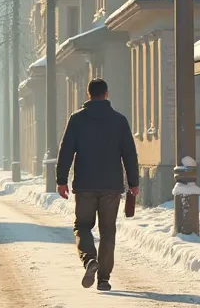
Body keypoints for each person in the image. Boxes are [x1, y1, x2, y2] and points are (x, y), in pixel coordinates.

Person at [55, 78, 139, 292]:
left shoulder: (77, 119)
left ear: (88, 94)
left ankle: (89, 258)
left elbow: (66, 151)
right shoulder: (119, 121)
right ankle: (103, 278)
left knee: (82, 225)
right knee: (108, 231)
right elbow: (129, 153)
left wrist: (61, 180)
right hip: (111, 185)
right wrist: (133, 183)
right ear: (107, 94)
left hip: (85, 185)